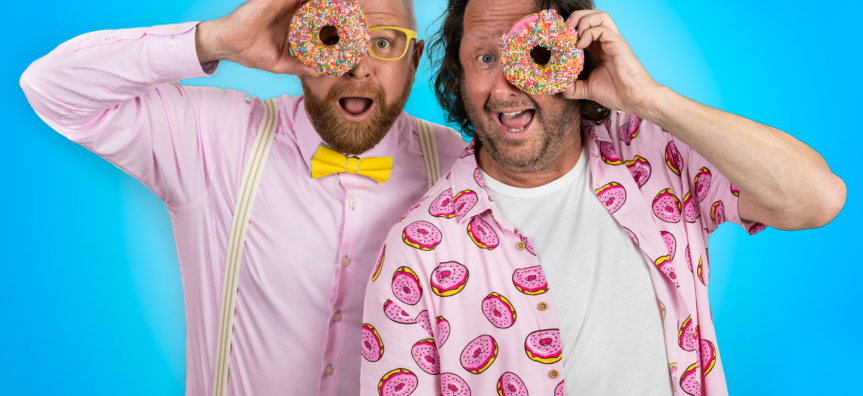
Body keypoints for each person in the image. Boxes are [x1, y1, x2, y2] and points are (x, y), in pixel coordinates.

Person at [359, 0, 846, 395]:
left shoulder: (658, 154)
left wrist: (649, 98)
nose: (507, 84)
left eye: (534, 53)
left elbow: (817, 199)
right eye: (485, 58)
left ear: (576, 56)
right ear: (459, 77)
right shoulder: (417, 250)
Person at [19, 0, 467, 394]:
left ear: (414, 59)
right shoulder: (216, 140)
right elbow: (51, 89)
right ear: (301, 42)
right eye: (335, 38)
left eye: (384, 43)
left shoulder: (462, 173)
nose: (357, 66)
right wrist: (215, 40)